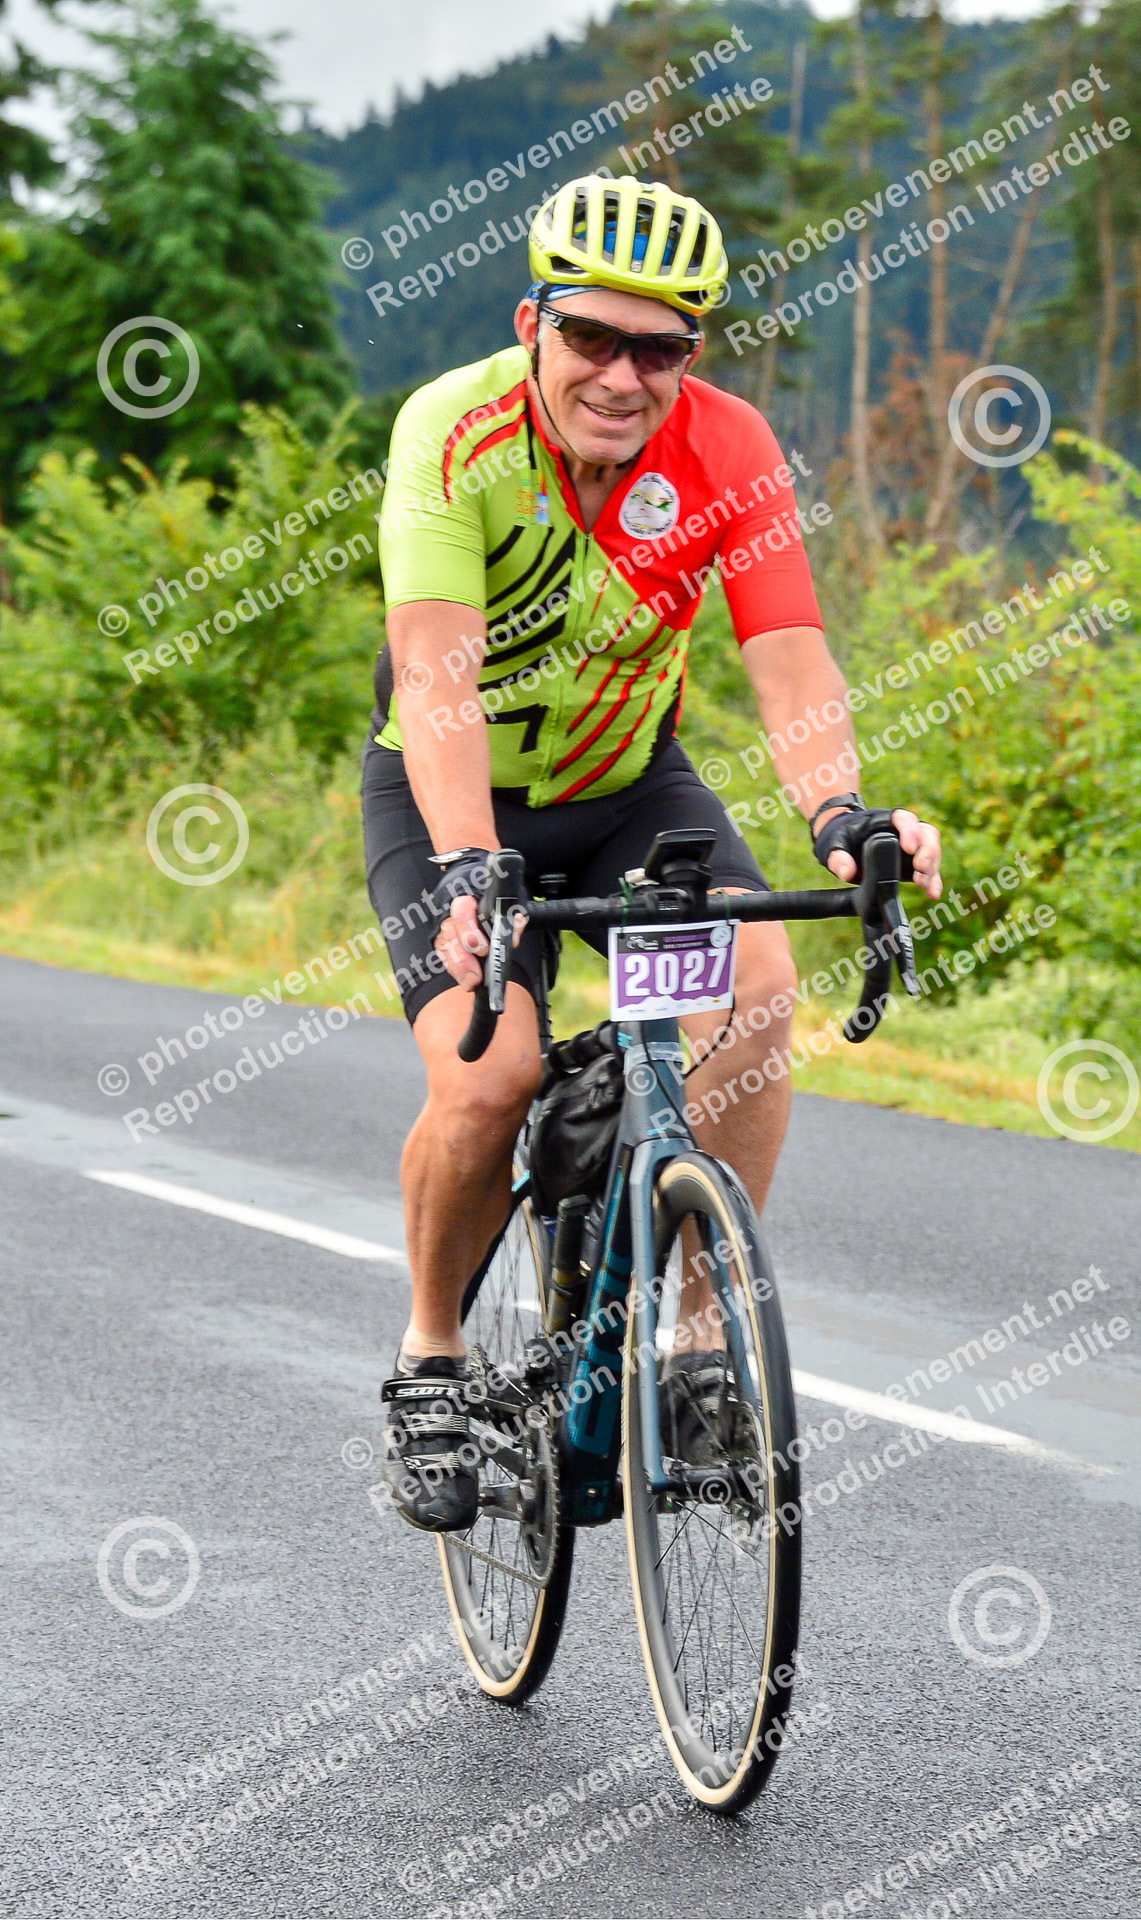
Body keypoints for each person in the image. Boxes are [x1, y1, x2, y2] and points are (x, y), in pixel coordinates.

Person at [363, 174, 942, 1530]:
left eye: (663, 349)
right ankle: (433, 1358)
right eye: (593, 338)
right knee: (489, 1076)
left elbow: (788, 655)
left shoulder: (729, 447)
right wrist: (469, 867)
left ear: (693, 354)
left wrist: (841, 817)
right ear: (534, 325)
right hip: (458, 797)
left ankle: (693, 1350)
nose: (624, 377)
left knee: (756, 989)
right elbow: (436, 674)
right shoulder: (451, 430)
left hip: (630, 790)